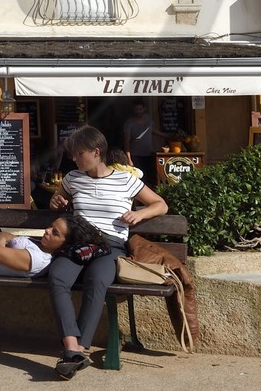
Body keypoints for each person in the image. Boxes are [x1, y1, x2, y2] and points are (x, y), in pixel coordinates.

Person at [47, 125, 168, 379]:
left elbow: (160, 204)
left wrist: (139, 213)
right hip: (78, 243)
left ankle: (79, 349)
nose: (74, 159)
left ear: (96, 152)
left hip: (110, 245)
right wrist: (56, 200)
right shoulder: (72, 178)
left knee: (97, 279)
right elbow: (57, 198)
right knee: (57, 275)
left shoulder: (126, 180)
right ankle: (72, 348)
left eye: (79, 154)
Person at [122, 101, 158, 187]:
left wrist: (167, 135)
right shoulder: (129, 123)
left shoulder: (149, 119)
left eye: (140, 109)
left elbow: (152, 130)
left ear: (144, 109)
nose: (138, 111)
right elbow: (126, 141)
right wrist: (129, 158)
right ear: (133, 110)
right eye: (136, 109)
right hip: (135, 155)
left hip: (148, 154)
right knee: (138, 178)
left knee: (149, 178)